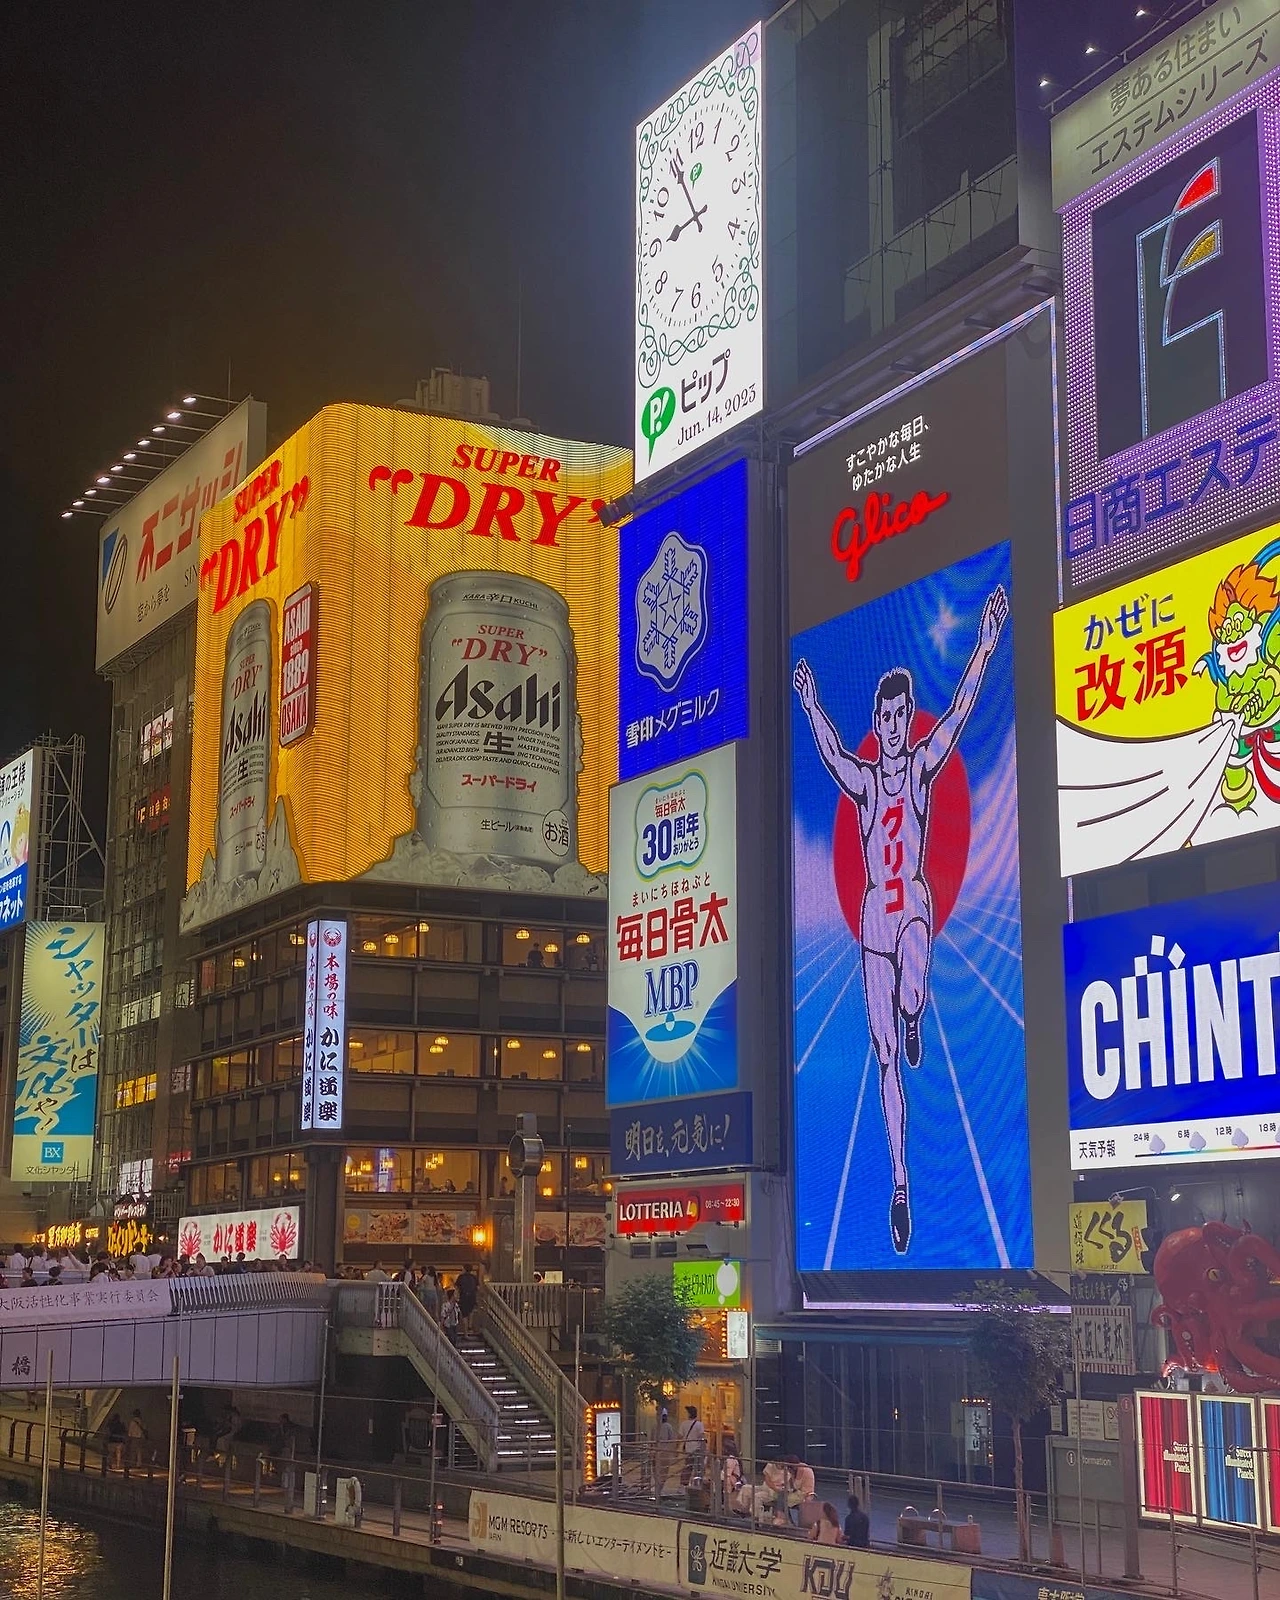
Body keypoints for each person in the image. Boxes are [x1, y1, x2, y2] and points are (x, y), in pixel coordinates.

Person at [793, 584, 1007, 1254]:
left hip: (910, 905)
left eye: (900, 714)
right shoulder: (864, 782)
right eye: (884, 715)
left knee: (912, 987)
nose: (891, 724)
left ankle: (915, 1011)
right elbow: (832, 754)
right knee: (884, 1057)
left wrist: (985, 646)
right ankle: (901, 1183)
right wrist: (811, 704)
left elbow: (961, 712)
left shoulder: (917, 770)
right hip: (872, 924)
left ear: (907, 717)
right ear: (877, 718)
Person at [652, 1407, 676, 1498]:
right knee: (663, 1473)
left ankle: (658, 1490)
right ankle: (659, 1490)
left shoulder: (656, 1426)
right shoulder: (667, 1426)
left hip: (656, 1452)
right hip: (664, 1453)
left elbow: (652, 1439)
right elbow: (671, 1439)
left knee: (657, 1472)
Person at [680, 1405, 705, 1485]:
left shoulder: (683, 1424)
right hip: (697, 1449)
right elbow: (702, 1437)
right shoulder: (699, 1424)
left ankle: (684, 1484)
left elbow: (680, 1436)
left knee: (688, 1467)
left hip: (688, 1450)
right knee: (698, 1468)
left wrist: (676, 1447)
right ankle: (697, 1483)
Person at [456, 1262, 479, 1332]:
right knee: (471, 1311)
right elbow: (478, 1288)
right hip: (472, 1297)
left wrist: (457, 1296)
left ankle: (465, 1330)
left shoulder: (461, 1277)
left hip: (463, 1297)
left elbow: (457, 1287)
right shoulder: (474, 1277)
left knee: (464, 1314)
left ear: (465, 1269)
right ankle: (470, 1327)